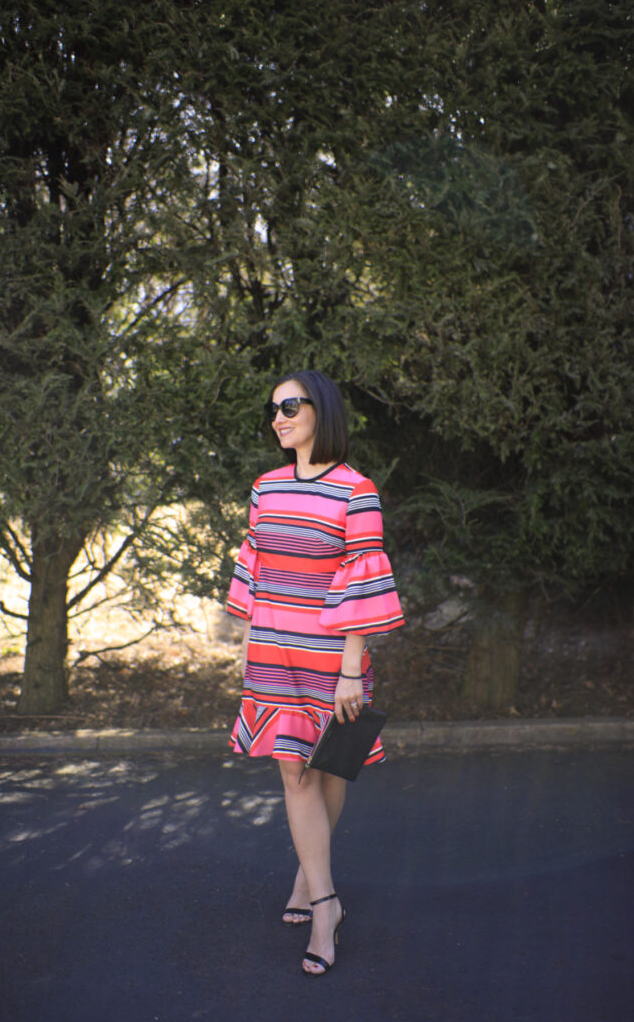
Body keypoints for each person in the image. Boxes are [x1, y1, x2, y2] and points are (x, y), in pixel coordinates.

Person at [226, 369, 405, 976]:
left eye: (291, 405)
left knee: (329, 772)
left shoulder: (357, 490)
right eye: (273, 408)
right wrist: (250, 644)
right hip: (273, 656)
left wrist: (353, 668)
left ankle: (308, 878)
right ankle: (326, 904)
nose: (279, 417)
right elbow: (255, 568)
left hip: (333, 660)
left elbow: (363, 575)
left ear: (320, 410)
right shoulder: (265, 486)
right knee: (295, 776)